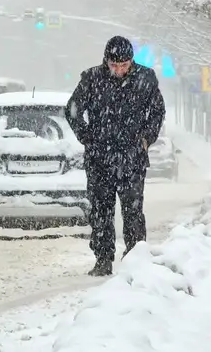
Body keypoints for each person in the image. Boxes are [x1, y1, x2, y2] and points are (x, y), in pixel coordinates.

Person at [65, 35, 165, 277]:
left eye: (124, 65)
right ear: (106, 62)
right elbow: (73, 109)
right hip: (100, 159)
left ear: (131, 61)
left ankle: (135, 258)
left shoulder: (145, 78)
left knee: (133, 211)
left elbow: (157, 111)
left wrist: (146, 138)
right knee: (100, 211)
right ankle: (103, 258)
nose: (119, 70)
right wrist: (87, 137)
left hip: (132, 157)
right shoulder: (92, 79)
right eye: (114, 66)